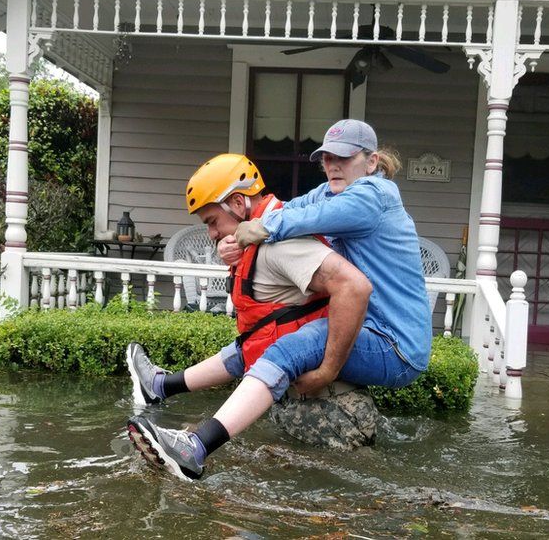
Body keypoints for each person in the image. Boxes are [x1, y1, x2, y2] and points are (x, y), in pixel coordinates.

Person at [128, 119, 431, 481]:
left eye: (345, 158)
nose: (333, 166)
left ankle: (196, 448)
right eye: (327, 158)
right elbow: (289, 209)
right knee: (267, 335)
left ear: (371, 162)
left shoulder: (374, 195)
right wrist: (237, 237)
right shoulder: (331, 192)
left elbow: (311, 222)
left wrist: (328, 371)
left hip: (396, 346)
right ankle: (160, 386)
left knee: (291, 346)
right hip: (370, 329)